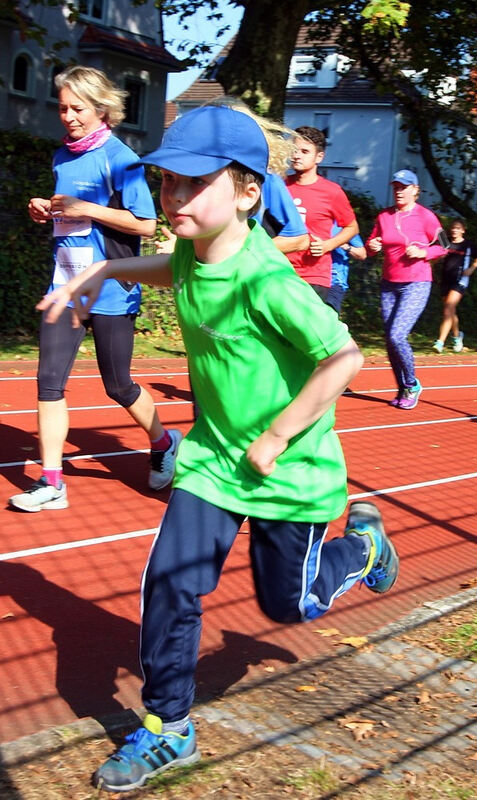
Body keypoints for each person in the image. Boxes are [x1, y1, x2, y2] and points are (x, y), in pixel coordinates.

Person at [37, 105, 399, 793]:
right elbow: (167, 268)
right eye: (167, 182)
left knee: (288, 606)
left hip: (286, 470)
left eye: (192, 184)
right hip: (212, 460)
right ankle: (169, 728)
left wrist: (277, 435)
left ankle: (363, 549)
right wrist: (98, 276)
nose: (173, 198)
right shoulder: (194, 247)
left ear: (246, 192)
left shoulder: (268, 281)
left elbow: (343, 358)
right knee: (170, 581)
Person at [8, 66, 179, 513]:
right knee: (48, 382)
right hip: (66, 284)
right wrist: (45, 210)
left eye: (77, 108)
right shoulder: (62, 156)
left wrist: (88, 207)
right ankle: (51, 482)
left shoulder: (120, 158)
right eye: (62, 108)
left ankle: (163, 441)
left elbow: (144, 223)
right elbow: (72, 216)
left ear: (101, 108)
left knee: (118, 385)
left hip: (111, 287)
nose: (68, 117)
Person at [156, 97, 309, 257]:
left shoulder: (266, 179)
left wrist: (236, 254)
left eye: (198, 181)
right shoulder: (188, 169)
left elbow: (298, 239)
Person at [367, 169, 447, 409]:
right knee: (390, 340)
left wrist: (424, 252)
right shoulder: (384, 217)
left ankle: (412, 384)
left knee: (397, 334)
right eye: (396, 187)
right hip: (389, 284)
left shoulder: (426, 217)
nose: (399, 191)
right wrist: (372, 245)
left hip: (417, 282)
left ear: (415, 190)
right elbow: (372, 246)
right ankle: (402, 388)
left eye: (404, 187)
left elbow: (444, 246)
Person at [285, 126, 359, 301]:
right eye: (294, 150)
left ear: (319, 157)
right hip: (280, 271)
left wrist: (328, 245)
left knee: (306, 328)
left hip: (314, 275)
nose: (296, 155)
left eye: (304, 151)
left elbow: (352, 227)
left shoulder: (331, 191)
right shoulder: (280, 186)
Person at [434, 219, 477, 354]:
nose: (454, 230)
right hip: (445, 280)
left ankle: (440, 342)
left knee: (448, 308)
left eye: (458, 228)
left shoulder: (468, 245)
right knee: (450, 310)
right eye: (453, 228)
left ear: (463, 230)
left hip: (460, 281)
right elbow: (437, 254)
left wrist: (471, 269)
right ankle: (457, 337)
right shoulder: (446, 241)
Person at [326, 223, 367, 314]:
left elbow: (362, 254)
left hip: (335, 282)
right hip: (310, 279)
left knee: (327, 317)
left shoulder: (344, 226)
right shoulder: (309, 221)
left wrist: (345, 246)